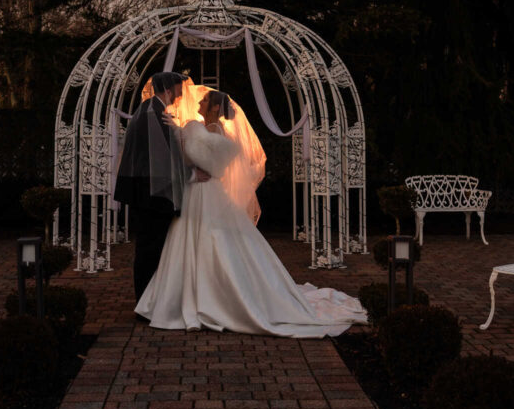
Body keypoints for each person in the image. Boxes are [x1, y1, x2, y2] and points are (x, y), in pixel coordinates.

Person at [135, 87, 367, 338]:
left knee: (205, 240)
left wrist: (182, 130)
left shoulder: (210, 131)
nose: (199, 103)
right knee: (197, 240)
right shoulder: (206, 130)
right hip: (200, 192)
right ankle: (200, 294)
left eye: (204, 101)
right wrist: (182, 131)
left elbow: (198, 157)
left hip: (204, 192)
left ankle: (209, 297)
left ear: (214, 107)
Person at [113, 72, 210, 302]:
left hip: (145, 191)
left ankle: (148, 299)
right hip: (152, 194)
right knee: (150, 248)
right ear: (168, 89)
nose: (179, 95)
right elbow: (162, 159)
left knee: (149, 246)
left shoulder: (150, 109)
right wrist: (192, 174)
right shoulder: (153, 113)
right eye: (178, 90)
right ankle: (145, 300)